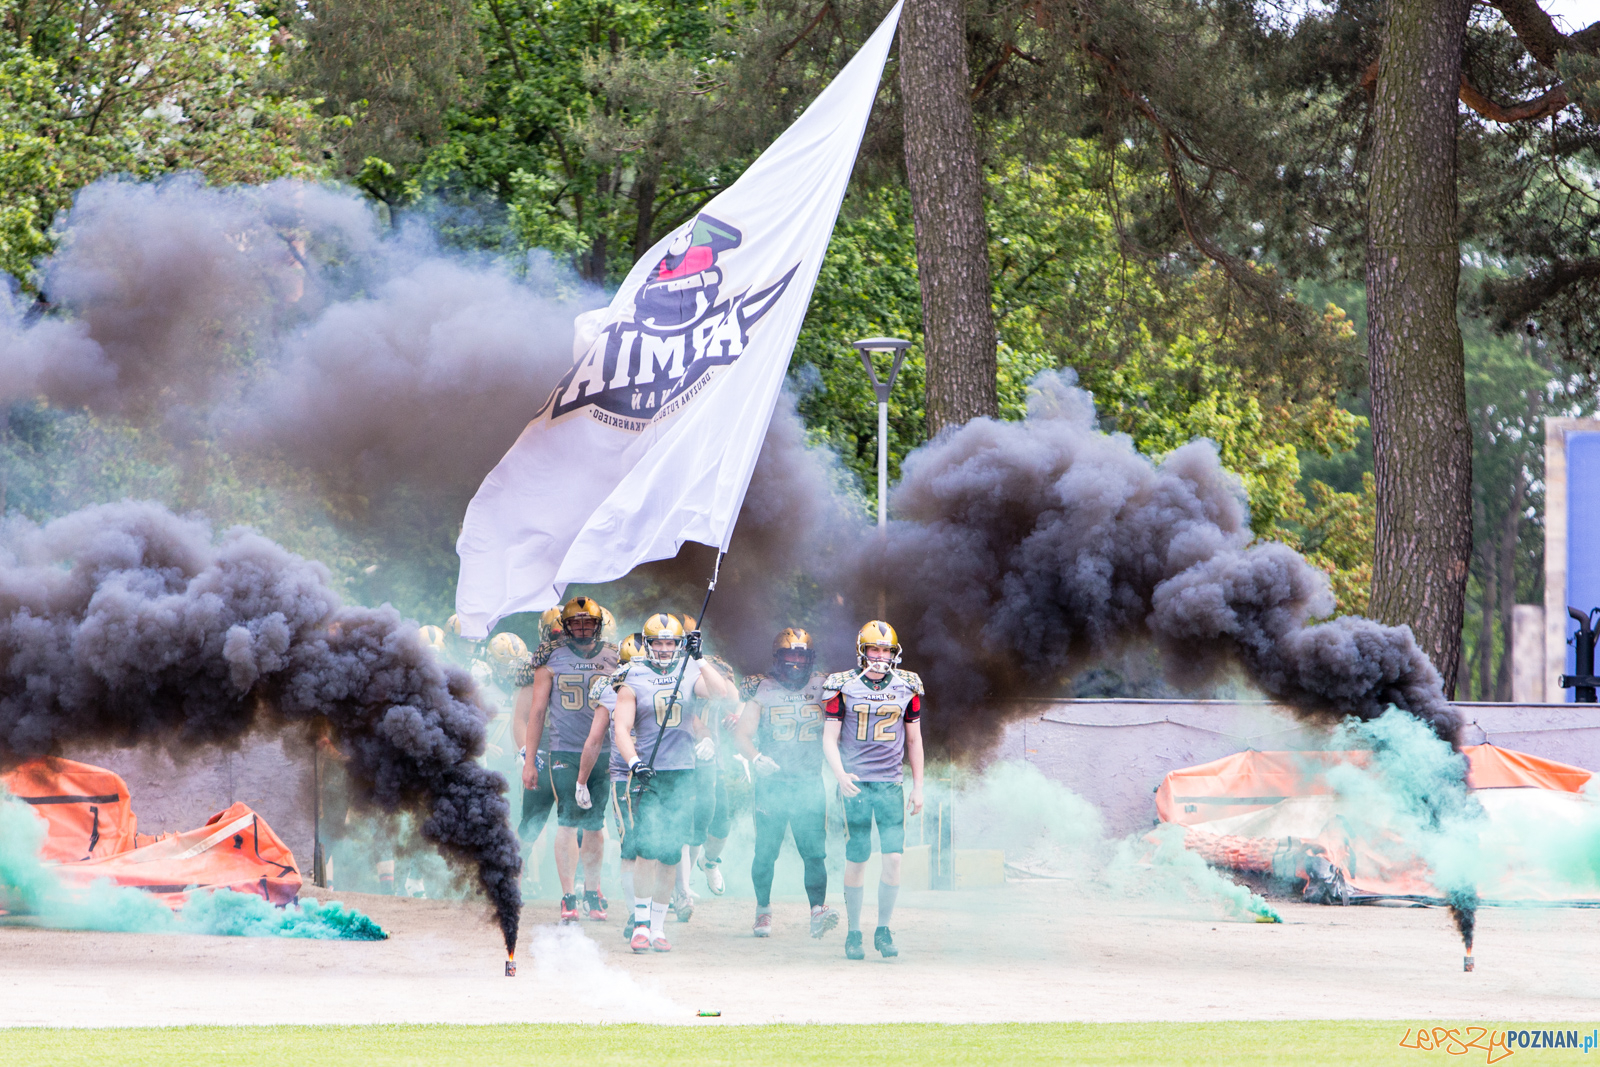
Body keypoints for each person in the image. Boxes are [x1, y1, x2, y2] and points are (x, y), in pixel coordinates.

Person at [609, 613, 734, 952]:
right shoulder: (632, 674)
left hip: (683, 774)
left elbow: (721, 693)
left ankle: (659, 927)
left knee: (669, 855)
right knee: (646, 851)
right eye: (658, 643)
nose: (664, 649)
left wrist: (700, 657)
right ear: (647, 645)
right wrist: (634, 761)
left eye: (670, 643)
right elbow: (621, 727)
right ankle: (640, 924)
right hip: (649, 772)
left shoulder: (689, 670)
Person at [821, 620, 925, 961]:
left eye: (886, 650)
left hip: (891, 783)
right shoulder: (842, 685)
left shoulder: (907, 685)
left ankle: (883, 928)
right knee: (859, 856)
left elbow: (914, 739)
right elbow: (829, 738)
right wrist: (840, 775)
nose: (880, 656)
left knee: (894, 858)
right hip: (857, 783)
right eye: (874, 649)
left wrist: (918, 786)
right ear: (862, 651)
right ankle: (853, 932)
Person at [734, 627, 840, 939]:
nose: (795, 661)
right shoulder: (762, 688)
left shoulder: (824, 685)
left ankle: (817, 910)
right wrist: (755, 758)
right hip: (773, 784)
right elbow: (741, 734)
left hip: (808, 782)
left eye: (800, 655)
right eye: (789, 654)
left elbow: (840, 728)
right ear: (778, 657)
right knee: (766, 851)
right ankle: (763, 911)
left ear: (810, 658)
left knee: (814, 852)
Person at [519, 597, 618, 923]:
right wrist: (529, 760)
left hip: (603, 752)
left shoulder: (614, 658)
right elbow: (536, 713)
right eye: (576, 623)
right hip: (564, 752)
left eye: (587, 622)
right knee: (567, 820)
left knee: (595, 825)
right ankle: (568, 895)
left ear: (598, 624)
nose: (582, 628)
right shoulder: (551, 659)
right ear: (566, 626)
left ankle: (592, 889)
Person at [578, 632, 646, 940]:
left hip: (662, 773)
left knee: (660, 844)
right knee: (631, 845)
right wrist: (582, 779)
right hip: (625, 776)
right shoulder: (610, 689)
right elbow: (594, 739)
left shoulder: (669, 682)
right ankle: (636, 914)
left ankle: (650, 910)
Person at [512, 607, 564, 890]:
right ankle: (513, 877)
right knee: (531, 823)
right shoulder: (534, 666)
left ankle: (582, 884)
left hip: (574, 752)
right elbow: (520, 718)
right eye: (557, 633)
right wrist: (526, 754)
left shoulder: (589, 662)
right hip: (543, 751)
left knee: (582, 823)